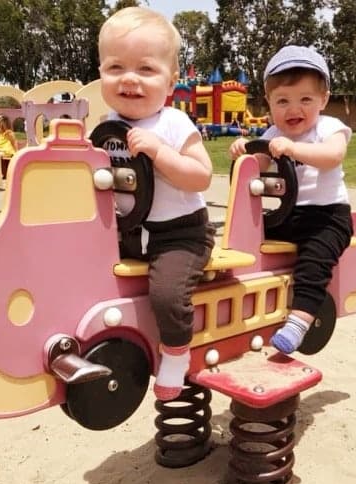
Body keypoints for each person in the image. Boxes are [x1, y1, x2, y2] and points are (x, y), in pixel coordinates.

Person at [98, 6, 215, 401]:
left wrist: (161, 153)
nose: (129, 78)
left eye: (146, 69)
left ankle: (177, 354)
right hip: (128, 231)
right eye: (116, 67)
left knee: (166, 294)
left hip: (179, 235)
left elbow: (201, 176)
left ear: (170, 83)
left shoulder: (172, 124)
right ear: (101, 73)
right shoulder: (106, 125)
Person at [229, 45, 353, 355]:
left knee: (313, 262)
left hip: (328, 217)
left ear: (323, 100)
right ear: (268, 104)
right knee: (249, 241)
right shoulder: (272, 133)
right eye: (282, 101)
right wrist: (245, 153)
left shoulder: (329, 127)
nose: (293, 109)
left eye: (305, 100)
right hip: (290, 215)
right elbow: (257, 166)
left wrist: (294, 149)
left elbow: (332, 156)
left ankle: (300, 322)